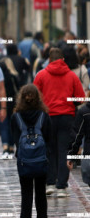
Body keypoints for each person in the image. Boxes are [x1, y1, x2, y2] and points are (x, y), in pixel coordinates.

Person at [34, 48, 85, 197]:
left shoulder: (41, 75)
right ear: (63, 60)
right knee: (63, 150)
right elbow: (80, 98)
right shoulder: (72, 76)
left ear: (49, 60)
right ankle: (62, 186)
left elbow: (34, 96)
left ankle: (50, 183)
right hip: (67, 116)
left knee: (49, 149)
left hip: (48, 116)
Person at [11, 84, 52, 218]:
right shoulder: (44, 116)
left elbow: (15, 139)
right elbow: (49, 139)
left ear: (21, 97)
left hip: (24, 161)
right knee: (41, 194)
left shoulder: (16, 117)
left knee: (26, 193)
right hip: (41, 161)